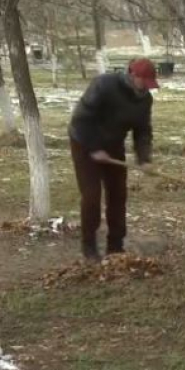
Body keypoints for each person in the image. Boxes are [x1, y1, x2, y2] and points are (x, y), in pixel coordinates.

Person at [68, 58, 159, 261]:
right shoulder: (104, 85)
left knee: (118, 195)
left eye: (150, 83)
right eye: (145, 81)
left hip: (113, 146)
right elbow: (80, 119)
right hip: (84, 143)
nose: (147, 87)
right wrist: (93, 148)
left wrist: (144, 158)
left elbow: (143, 131)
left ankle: (115, 246)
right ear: (133, 75)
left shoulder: (145, 100)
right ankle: (89, 247)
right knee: (91, 196)